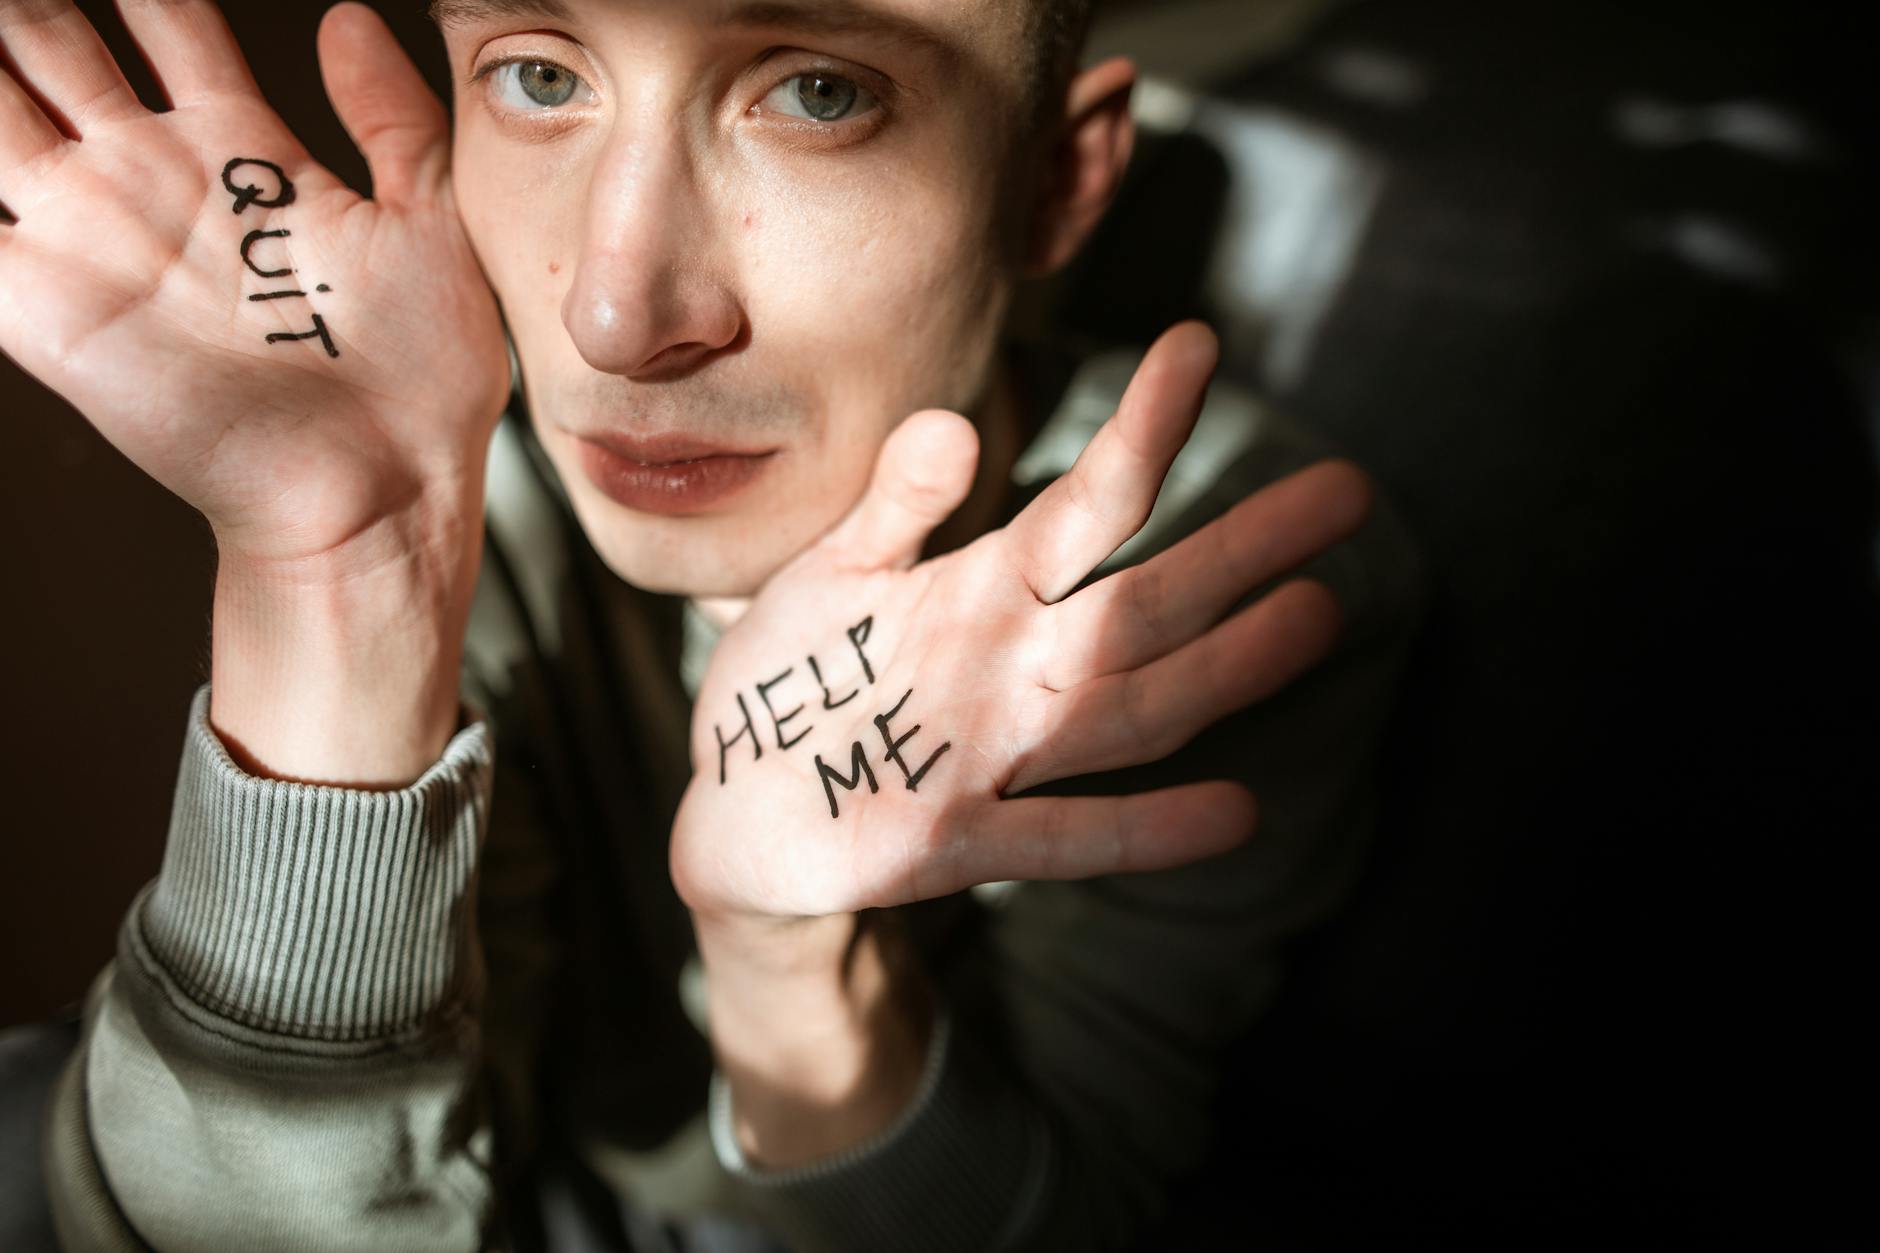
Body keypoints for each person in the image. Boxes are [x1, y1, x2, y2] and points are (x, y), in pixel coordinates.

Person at [0, 0, 1420, 1248]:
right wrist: (338, 575)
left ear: (1056, 177)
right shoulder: (444, 492)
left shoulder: (1182, 582)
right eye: (541, 77)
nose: (620, 317)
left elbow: (1052, 1213)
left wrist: (784, 957)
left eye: (816, 90)